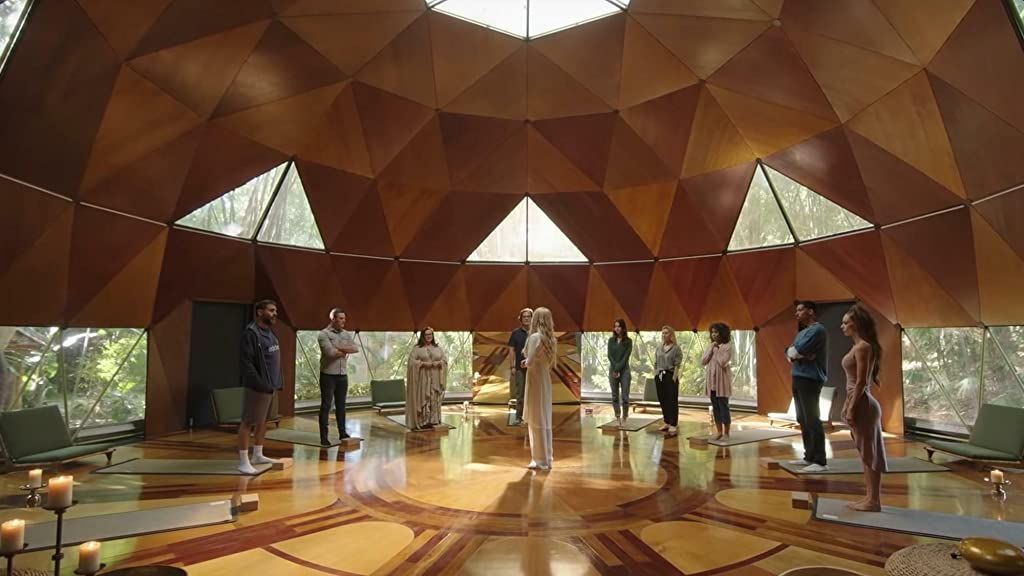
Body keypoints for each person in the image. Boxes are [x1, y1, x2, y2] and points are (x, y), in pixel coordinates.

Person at [840, 303, 887, 511]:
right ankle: (870, 498)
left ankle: (874, 501)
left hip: (863, 405)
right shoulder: (857, 347)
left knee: (870, 454)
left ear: (856, 324)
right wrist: (848, 405)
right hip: (858, 402)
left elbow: (860, 382)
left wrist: (851, 408)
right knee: (865, 454)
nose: (842, 326)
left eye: (846, 323)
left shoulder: (863, 347)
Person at [238, 299, 283, 474]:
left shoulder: (270, 333)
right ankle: (243, 461)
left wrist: (276, 383)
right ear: (259, 312)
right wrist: (260, 383)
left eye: (275, 311)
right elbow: (246, 364)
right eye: (271, 310)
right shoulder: (251, 333)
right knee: (248, 422)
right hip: (257, 387)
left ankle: (258, 454)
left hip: (271, 387)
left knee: (263, 421)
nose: (274, 314)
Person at [786, 300, 830, 472]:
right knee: (802, 419)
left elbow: (797, 351)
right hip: (798, 376)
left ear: (811, 311)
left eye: (800, 310)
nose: (796, 313)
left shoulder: (818, 330)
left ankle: (820, 461)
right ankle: (809, 456)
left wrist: (797, 354)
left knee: (812, 418)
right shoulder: (802, 332)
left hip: (810, 378)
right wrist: (797, 354)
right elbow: (789, 352)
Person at [317, 308, 360, 446]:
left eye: (344, 319)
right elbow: (330, 353)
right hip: (328, 375)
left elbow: (355, 348)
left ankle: (342, 433)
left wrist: (339, 348)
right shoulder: (323, 334)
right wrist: (344, 350)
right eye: (341, 318)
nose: (343, 321)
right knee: (326, 405)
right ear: (333, 319)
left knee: (341, 405)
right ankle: (324, 437)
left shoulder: (346, 333)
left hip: (342, 375)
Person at [525, 307, 555, 470]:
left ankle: (539, 459)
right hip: (545, 380)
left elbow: (529, 361)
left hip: (535, 380)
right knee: (545, 418)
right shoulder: (550, 339)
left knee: (536, 418)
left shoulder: (535, 337)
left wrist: (525, 362)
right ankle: (547, 457)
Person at [405, 327, 448, 430]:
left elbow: (444, 360)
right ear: (423, 336)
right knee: (424, 397)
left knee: (434, 397)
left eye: (430, 334)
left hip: (435, 377)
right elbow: (411, 362)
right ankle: (423, 421)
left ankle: (433, 420)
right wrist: (423, 364)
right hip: (423, 377)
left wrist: (439, 363)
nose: (429, 336)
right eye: (426, 335)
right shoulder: (417, 349)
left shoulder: (438, 348)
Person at [702, 322, 733, 440]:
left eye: (716, 332)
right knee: (715, 407)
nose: (714, 334)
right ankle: (719, 432)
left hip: (722, 382)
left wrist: (716, 349)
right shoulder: (711, 346)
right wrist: (711, 348)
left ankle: (726, 433)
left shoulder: (727, 347)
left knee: (723, 407)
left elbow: (723, 362)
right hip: (712, 381)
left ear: (722, 333)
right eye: (712, 332)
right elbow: (703, 361)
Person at [654, 326, 682, 436]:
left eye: (666, 333)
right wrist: (656, 374)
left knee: (672, 400)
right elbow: (656, 362)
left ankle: (673, 423)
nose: (664, 335)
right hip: (660, 375)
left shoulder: (676, 348)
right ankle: (666, 421)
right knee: (663, 399)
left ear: (671, 335)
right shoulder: (659, 348)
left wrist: (674, 377)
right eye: (663, 333)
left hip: (670, 375)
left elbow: (677, 364)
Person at [508, 308, 533, 426]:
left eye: (529, 316)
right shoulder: (515, 333)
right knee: (520, 394)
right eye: (524, 317)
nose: (526, 318)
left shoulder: (535, 333)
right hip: (519, 368)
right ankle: (519, 417)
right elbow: (511, 350)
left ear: (532, 318)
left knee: (534, 393)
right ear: (521, 319)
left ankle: (532, 417)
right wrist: (512, 366)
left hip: (534, 368)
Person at [607, 319, 633, 428]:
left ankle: (625, 417)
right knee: (614, 396)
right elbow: (609, 356)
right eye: (615, 326)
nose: (617, 328)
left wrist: (618, 369)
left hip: (624, 371)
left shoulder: (628, 341)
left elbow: (626, 357)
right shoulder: (611, 340)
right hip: (613, 370)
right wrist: (615, 369)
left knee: (625, 396)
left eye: (619, 326)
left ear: (623, 328)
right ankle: (617, 417)